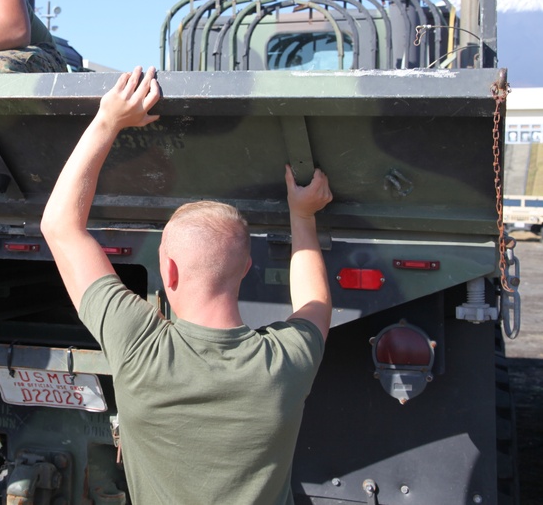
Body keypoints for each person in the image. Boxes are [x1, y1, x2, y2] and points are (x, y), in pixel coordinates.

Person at [40, 67, 334, 505]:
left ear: (169, 273)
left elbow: (60, 226)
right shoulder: (284, 362)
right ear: (246, 268)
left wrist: (109, 120)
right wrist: (303, 216)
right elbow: (315, 304)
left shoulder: (140, 347)